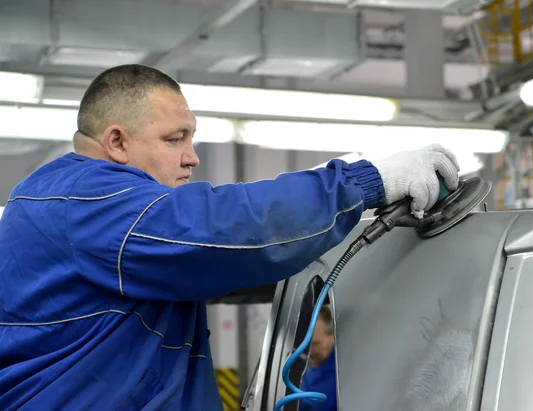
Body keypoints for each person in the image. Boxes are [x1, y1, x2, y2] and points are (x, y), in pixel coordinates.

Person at [0, 64, 460, 411]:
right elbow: (222, 226)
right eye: (175, 138)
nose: (192, 157)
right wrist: (365, 182)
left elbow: (217, 259)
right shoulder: (89, 203)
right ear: (117, 143)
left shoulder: (57, 199)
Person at [300, 306, 337, 411]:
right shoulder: (298, 368)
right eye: (305, 345)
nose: (309, 351)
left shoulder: (344, 373)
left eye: (315, 344)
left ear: (333, 336)